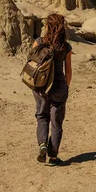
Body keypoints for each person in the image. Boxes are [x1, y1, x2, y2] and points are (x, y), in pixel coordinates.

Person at [31, 13, 72, 166]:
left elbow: (32, 64)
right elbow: (68, 71)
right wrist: (66, 87)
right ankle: (53, 157)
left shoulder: (38, 42)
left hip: (41, 86)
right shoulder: (65, 46)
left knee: (42, 116)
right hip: (59, 86)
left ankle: (42, 145)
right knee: (57, 122)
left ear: (48, 26)